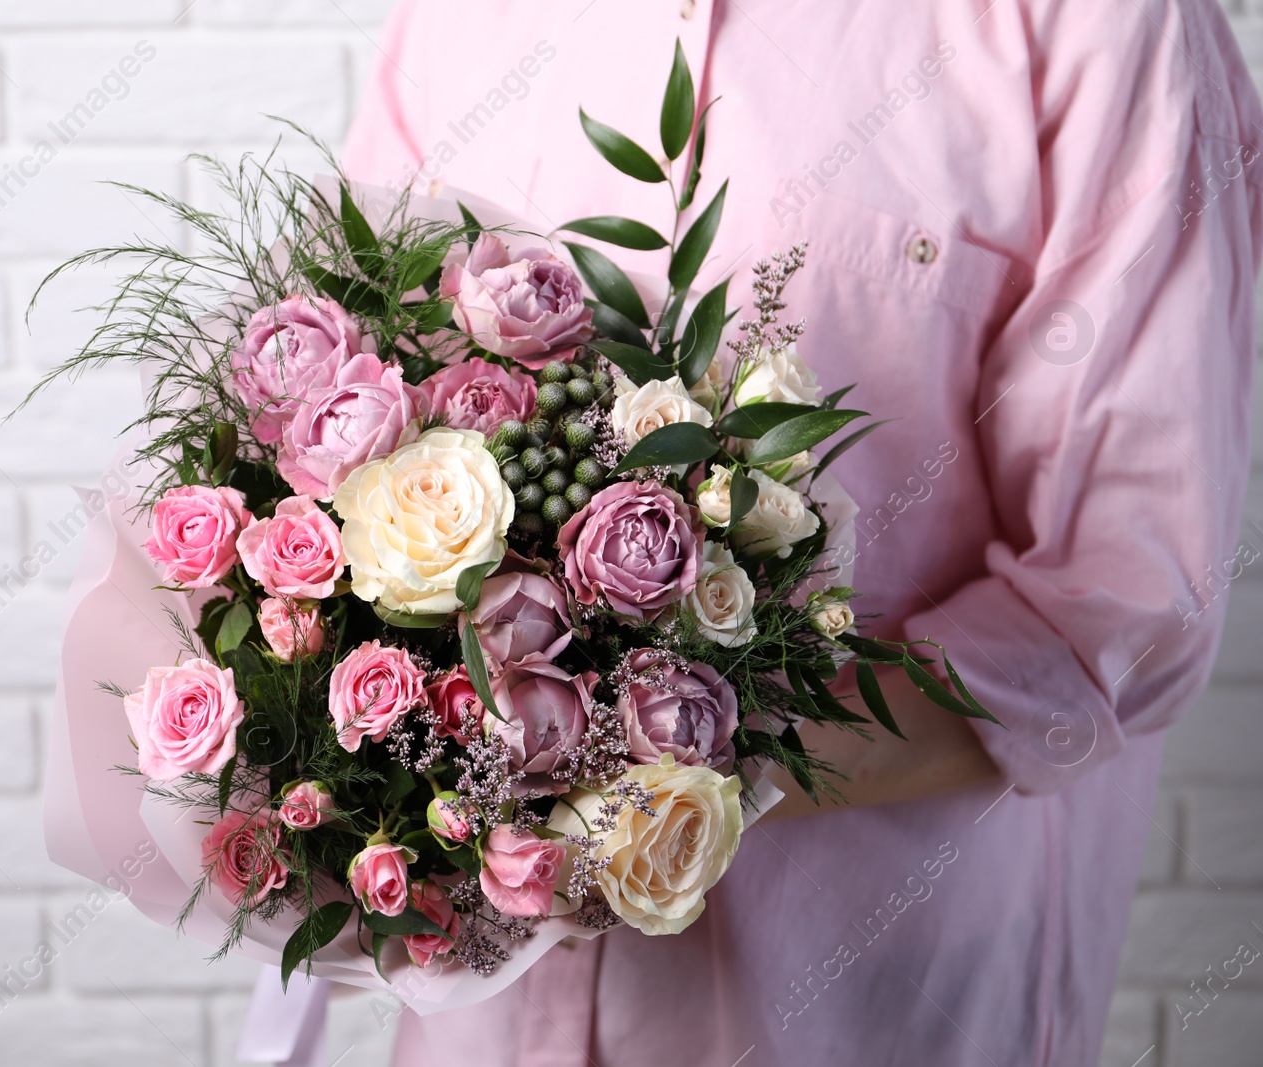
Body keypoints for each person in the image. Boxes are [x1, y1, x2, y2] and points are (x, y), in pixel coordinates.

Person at [339, 1, 1262, 1064]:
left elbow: (1120, 603)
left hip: (878, 999)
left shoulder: (1097, 25)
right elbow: (356, 409)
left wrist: (648, 778)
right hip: (488, 1021)